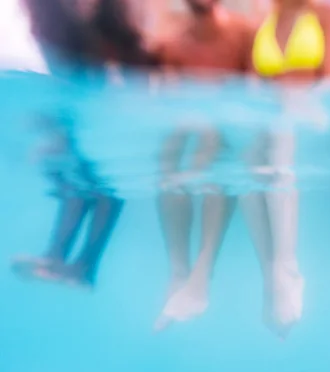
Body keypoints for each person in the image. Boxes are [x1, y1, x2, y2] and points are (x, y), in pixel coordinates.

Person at [11, 0, 157, 288]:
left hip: (100, 108)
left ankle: (72, 262)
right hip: (99, 105)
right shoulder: (66, 26)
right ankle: (72, 262)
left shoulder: (66, 27)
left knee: (87, 184)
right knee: (89, 184)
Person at [149, 0, 254, 329]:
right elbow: (166, 102)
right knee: (168, 161)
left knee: (211, 156)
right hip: (195, 123)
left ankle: (199, 276)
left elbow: (254, 96)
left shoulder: (243, 33)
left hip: (231, 131)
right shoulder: (172, 42)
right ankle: (179, 272)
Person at [244, 0, 330, 338]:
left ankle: (287, 269)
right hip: (272, 118)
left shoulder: (327, 15)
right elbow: (251, 87)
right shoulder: (262, 20)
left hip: (310, 116)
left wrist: (297, 106)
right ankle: (270, 275)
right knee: (247, 159)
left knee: (281, 144)